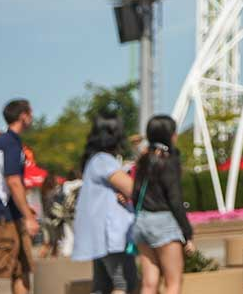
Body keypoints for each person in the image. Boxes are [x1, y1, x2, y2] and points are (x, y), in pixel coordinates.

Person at [70, 114, 136, 294]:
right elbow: (133, 189)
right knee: (124, 284)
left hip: (100, 237)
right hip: (110, 236)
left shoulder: (95, 160)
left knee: (102, 287)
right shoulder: (104, 161)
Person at [0, 100, 38, 294]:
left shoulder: (7, 142)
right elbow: (13, 181)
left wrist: (24, 212)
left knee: (21, 270)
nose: (32, 117)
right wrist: (29, 217)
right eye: (30, 113)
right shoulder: (9, 143)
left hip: (10, 215)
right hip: (2, 216)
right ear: (23, 116)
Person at [131, 115, 194, 294]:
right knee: (173, 283)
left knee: (149, 284)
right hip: (163, 221)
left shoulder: (143, 160)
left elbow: (135, 193)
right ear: (169, 135)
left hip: (142, 221)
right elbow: (174, 199)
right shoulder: (169, 161)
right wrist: (187, 232)